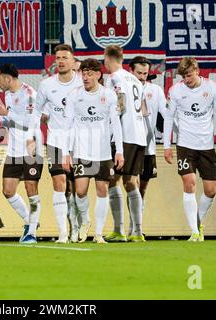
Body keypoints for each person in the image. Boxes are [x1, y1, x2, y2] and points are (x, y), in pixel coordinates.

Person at [164, 57, 216, 242]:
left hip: (206, 146)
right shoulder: (176, 91)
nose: (186, 79)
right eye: (183, 76)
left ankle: (198, 223)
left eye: (189, 75)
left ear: (197, 71)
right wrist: (167, 145)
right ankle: (194, 231)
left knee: (210, 190)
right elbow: (169, 117)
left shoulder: (212, 88)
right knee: (189, 181)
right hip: (185, 144)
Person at [62, 58, 124, 244]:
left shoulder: (109, 95)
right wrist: (66, 152)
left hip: (103, 152)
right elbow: (67, 125)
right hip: (81, 151)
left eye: (89, 74)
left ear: (98, 75)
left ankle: (98, 233)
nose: (85, 77)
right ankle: (86, 220)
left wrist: (119, 151)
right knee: (80, 191)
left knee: (102, 190)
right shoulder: (74, 95)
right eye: (83, 73)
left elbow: (116, 125)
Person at [26, 44, 83, 243]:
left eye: (64, 58)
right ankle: (63, 232)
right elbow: (37, 111)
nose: (60, 61)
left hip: (80, 141)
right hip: (56, 141)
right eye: (57, 58)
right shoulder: (47, 85)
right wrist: (32, 136)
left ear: (73, 61)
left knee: (77, 189)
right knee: (59, 183)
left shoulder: (82, 83)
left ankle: (77, 226)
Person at [0, 63, 43, 244]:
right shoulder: (6, 95)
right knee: (8, 191)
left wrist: (7, 113)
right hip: (14, 150)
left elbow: (31, 122)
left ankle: (31, 234)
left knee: (31, 190)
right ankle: (31, 222)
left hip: (31, 149)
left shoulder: (29, 94)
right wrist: (2, 116)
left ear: (8, 78)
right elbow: (9, 123)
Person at [103, 45, 148, 243]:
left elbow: (119, 106)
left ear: (107, 58)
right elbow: (143, 110)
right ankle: (137, 232)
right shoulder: (136, 80)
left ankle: (119, 230)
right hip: (139, 136)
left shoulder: (115, 78)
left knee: (112, 179)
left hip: (124, 135)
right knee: (131, 181)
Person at [128, 56, 167, 235]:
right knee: (132, 185)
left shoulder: (156, 91)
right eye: (139, 73)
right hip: (130, 145)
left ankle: (136, 226)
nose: (143, 77)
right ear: (131, 71)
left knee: (142, 188)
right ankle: (134, 228)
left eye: (145, 73)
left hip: (149, 147)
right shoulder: (124, 90)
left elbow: (166, 114)